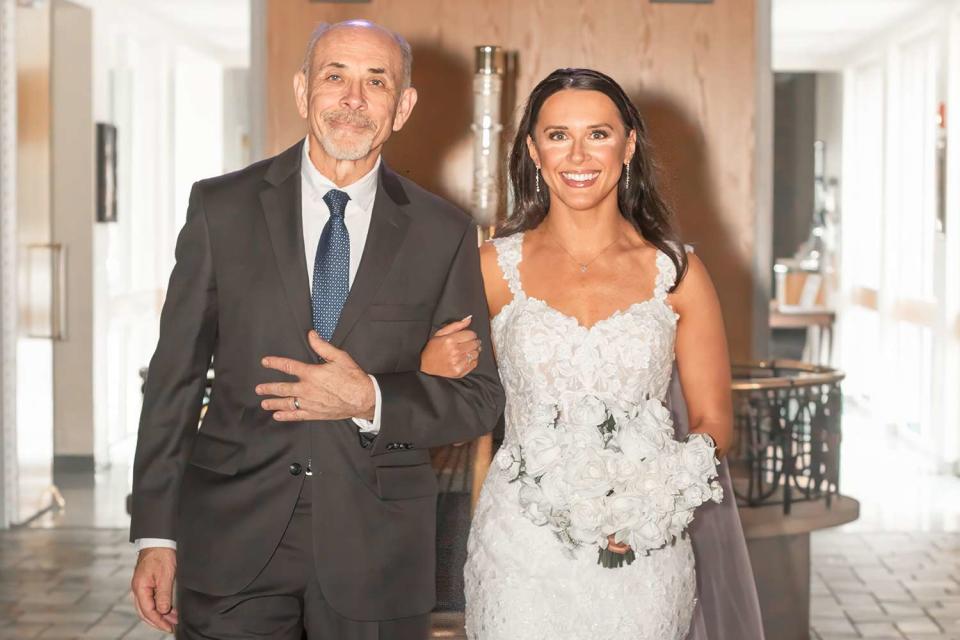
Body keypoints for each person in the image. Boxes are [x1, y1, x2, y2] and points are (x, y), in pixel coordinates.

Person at [128, 20, 504, 639]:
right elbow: (174, 380)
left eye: (376, 82)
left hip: (378, 550)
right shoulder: (220, 208)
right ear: (304, 91)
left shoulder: (445, 233)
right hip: (230, 542)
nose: (353, 99)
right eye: (336, 76)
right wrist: (156, 533)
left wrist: (372, 398)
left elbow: (479, 399)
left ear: (402, 106)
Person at [420, 68, 737, 639]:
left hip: (644, 552)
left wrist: (653, 497)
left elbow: (715, 421)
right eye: (558, 135)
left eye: (598, 133)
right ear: (534, 151)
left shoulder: (679, 273)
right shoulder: (491, 267)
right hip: (521, 545)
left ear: (629, 146)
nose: (578, 153)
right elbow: (438, 383)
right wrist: (429, 360)